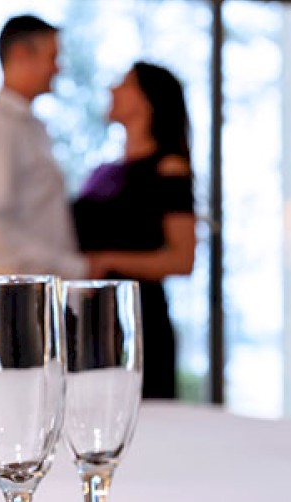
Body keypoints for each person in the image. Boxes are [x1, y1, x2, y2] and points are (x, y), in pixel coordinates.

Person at [72, 62, 196, 399]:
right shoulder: (102, 172)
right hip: (87, 325)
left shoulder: (168, 168)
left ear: (147, 101)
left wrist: (109, 260)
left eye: (124, 84)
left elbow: (183, 260)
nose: (112, 90)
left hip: (140, 324)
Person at [0, 15, 87, 279]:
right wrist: (72, 267)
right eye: (52, 57)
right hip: (20, 301)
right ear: (20, 54)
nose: (57, 69)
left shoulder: (33, 129)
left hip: (44, 294)